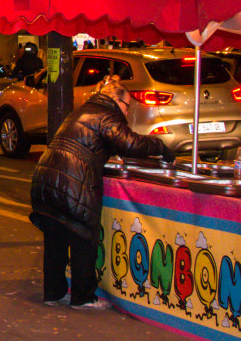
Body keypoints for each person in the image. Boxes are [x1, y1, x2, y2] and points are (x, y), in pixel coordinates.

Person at [29, 76, 172, 310]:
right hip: (72, 183)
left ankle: (54, 293)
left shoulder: (84, 110)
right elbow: (130, 144)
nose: (127, 112)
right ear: (116, 99)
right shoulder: (106, 115)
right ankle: (83, 298)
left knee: (56, 239)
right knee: (83, 237)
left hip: (46, 178)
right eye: (127, 106)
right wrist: (159, 146)